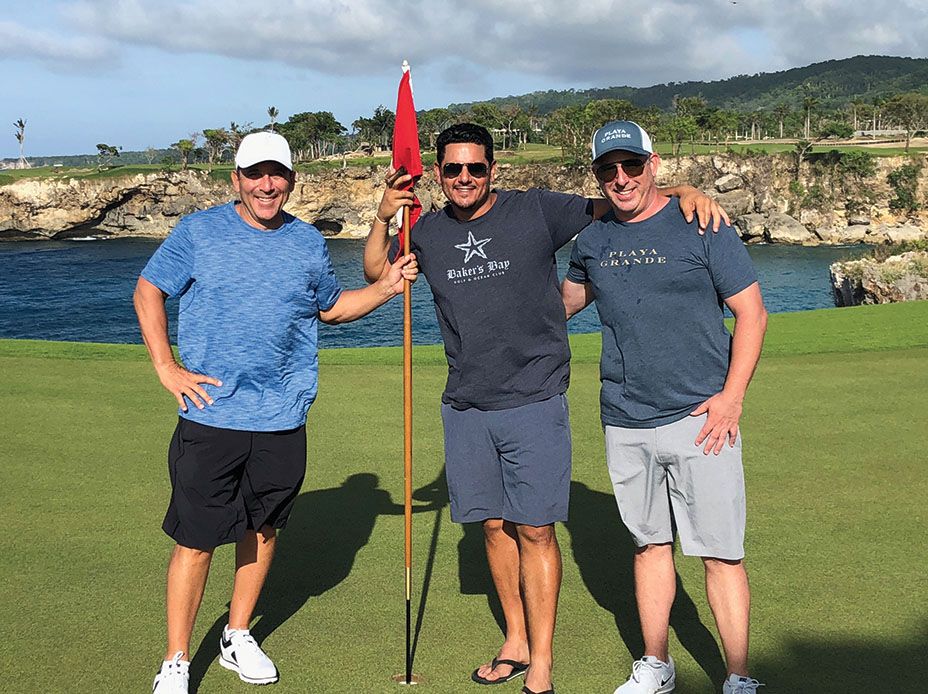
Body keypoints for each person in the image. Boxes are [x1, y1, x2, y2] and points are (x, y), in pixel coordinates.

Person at [364, 123, 727, 694]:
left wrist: (683, 191)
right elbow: (376, 273)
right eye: (454, 169)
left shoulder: (536, 210)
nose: (465, 178)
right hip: (466, 402)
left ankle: (542, 664)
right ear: (438, 173)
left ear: (493, 170)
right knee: (492, 525)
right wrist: (384, 217)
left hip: (535, 394)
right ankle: (515, 639)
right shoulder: (426, 230)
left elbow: (620, 199)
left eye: (476, 168)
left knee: (534, 529)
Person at [134, 131, 417, 694]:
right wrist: (166, 367)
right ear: (236, 179)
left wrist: (387, 288)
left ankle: (237, 634)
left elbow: (330, 309)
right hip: (212, 414)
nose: (267, 185)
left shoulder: (307, 241)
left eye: (277, 174)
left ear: (291, 179)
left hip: (283, 416)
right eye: (256, 174)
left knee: (263, 529)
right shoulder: (198, 231)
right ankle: (176, 658)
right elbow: (148, 291)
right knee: (196, 540)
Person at [561, 121, 768, 694]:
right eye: (608, 169)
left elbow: (752, 314)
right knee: (649, 545)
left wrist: (731, 399)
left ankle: (739, 675)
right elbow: (560, 308)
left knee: (720, 554)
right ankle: (656, 664)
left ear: (653, 164)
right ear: (597, 175)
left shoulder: (702, 223)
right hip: (625, 419)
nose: (621, 178)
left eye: (631, 165)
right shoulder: (592, 241)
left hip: (702, 419)